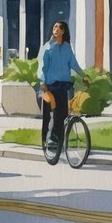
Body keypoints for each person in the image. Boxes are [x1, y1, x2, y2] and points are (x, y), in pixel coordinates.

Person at [38, 20, 84, 150]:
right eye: (55, 27)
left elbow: (74, 64)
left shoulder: (67, 47)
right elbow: (41, 66)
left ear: (63, 31)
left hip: (63, 86)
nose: (56, 29)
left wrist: (84, 75)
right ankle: (48, 141)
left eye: (59, 27)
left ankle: (57, 141)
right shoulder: (47, 47)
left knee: (62, 115)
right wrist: (42, 83)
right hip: (49, 87)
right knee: (50, 115)